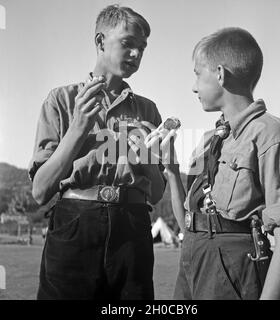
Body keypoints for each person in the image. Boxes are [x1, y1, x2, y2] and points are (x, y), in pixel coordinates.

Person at [28, 5, 166, 300]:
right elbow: (40, 191)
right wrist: (78, 127)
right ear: (100, 42)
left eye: (142, 48)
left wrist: (148, 160)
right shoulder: (61, 100)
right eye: (128, 44)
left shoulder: (148, 110)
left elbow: (155, 193)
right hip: (74, 223)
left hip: (133, 224)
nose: (136, 55)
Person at [160, 27, 280, 300]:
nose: (193, 86)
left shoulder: (272, 134)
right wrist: (171, 168)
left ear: (220, 74)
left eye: (198, 74)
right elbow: (190, 226)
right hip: (191, 266)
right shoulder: (208, 140)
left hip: (235, 271)